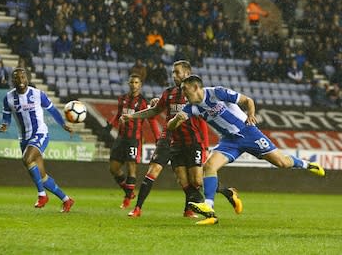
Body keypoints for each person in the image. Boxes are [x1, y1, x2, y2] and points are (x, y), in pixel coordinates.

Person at [167, 74, 325, 225]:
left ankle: (307, 164)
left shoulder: (217, 93)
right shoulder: (191, 108)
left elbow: (247, 100)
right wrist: (176, 121)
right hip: (229, 141)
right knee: (209, 166)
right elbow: (170, 126)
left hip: (248, 133)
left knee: (282, 162)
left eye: (185, 89)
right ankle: (209, 207)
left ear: (195, 87)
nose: (183, 94)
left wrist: (251, 114)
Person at [120, 61, 241, 218]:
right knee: (183, 181)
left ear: (187, 73)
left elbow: (204, 121)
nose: (173, 75)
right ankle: (204, 212)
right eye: (172, 72)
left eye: (177, 72)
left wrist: (205, 146)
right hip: (173, 141)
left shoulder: (196, 95)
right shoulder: (168, 93)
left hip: (192, 140)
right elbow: (155, 110)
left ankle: (227, 192)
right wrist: (132, 116)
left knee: (197, 181)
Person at [0, 68, 75, 212]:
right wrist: (4, 125)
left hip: (40, 133)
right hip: (24, 138)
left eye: (23, 77)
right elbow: (6, 117)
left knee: (27, 159)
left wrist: (63, 125)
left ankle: (42, 195)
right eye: (17, 78)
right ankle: (66, 200)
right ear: (12, 81)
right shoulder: (8, 98)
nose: (20, 80)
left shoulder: (38, 94)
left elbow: (52, 110)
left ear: (27, 79)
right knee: (42, 176)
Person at [105, 74, 160, 209]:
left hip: (133, 139)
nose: (134, 85)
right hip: (120, 138)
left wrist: (158, 137)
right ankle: (129, 192)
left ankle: (127, 199)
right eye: (131, 82)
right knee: (113, 168)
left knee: (131, 168)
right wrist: (109, 126)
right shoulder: (122, 99)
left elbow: (151, 120)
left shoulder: (143, 102)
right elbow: (118, 115)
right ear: (128, 84)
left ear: (140, 85)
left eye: (136, 82)